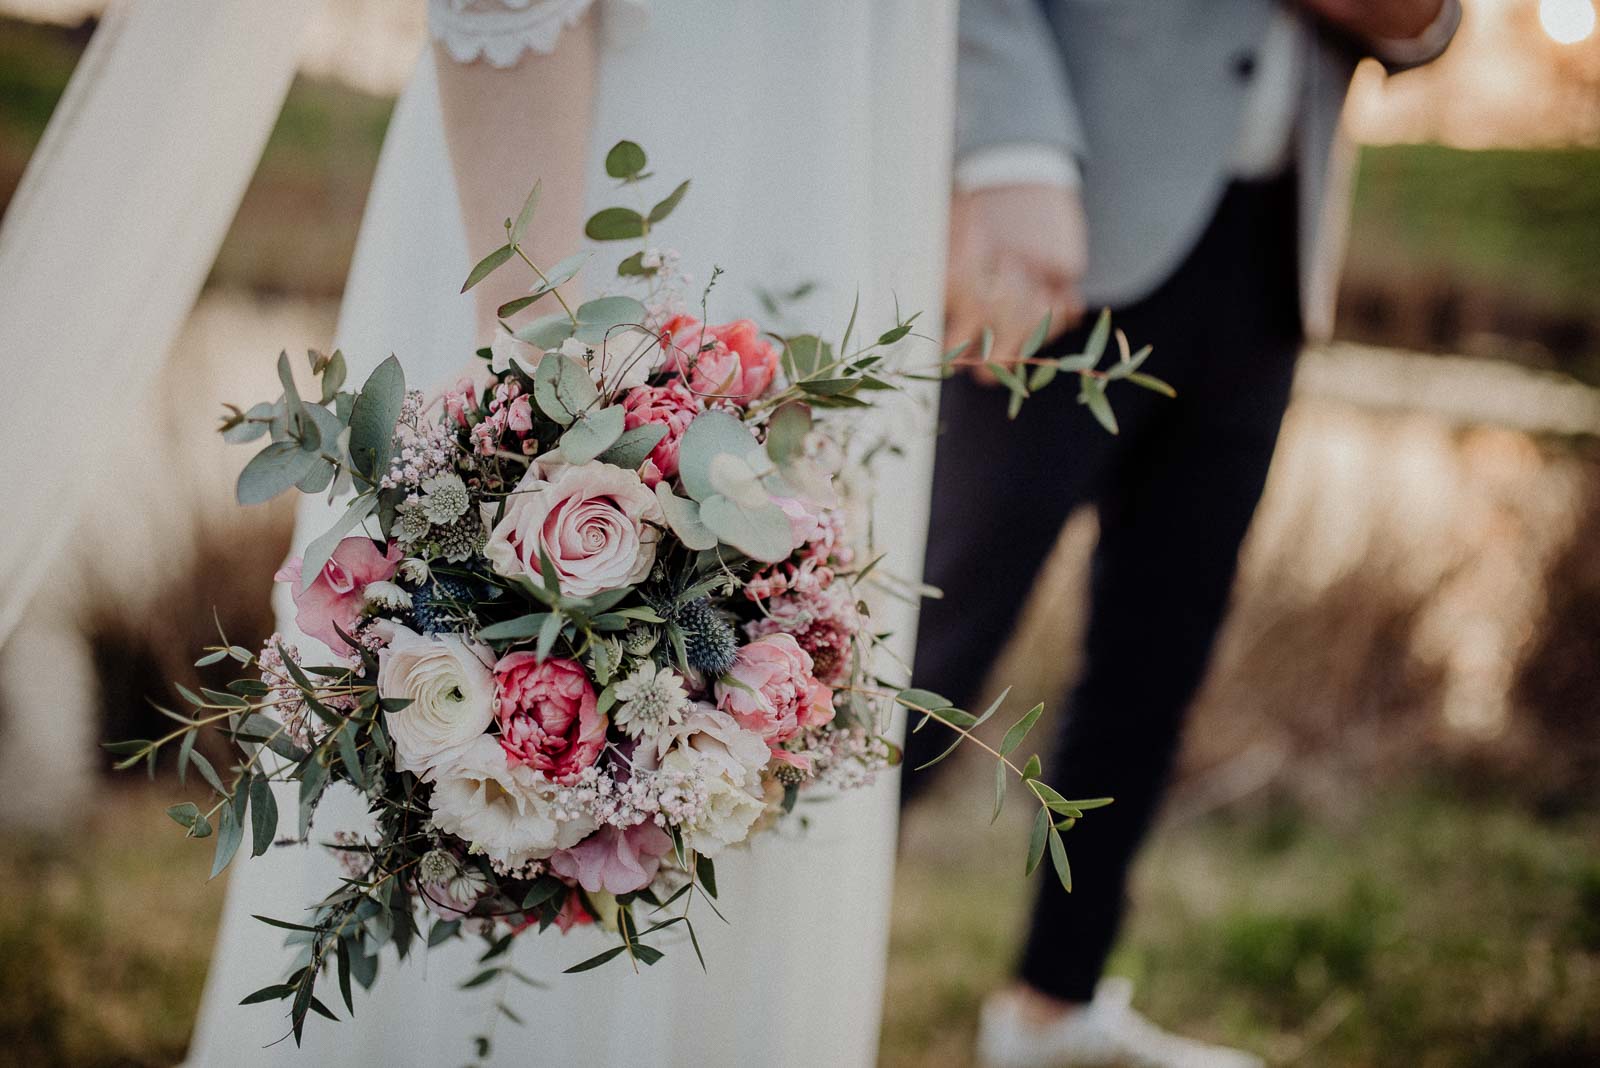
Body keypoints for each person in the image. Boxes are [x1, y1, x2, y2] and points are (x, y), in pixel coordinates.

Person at [180, 2, 956, 1065]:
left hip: (818, 190)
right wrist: (535, 400)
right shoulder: (549, 378)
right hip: (561, 241)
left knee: (756, 768)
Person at [902, 2, 1460, 1065]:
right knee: (924, 646)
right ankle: (766, 972)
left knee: (1154, 665)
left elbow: (1426, 28)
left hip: (1268, 252)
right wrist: (1006, 146)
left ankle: (1050, 1009)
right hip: (1060, 227)